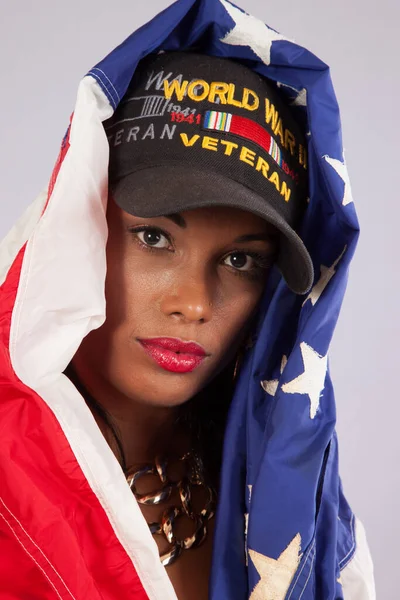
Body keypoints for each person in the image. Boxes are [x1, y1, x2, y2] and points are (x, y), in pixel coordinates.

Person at [0, 1, 375, 599]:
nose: (195, 304)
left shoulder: (281, 485)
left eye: (240, 260)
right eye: (154, 238)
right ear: (78, 230)